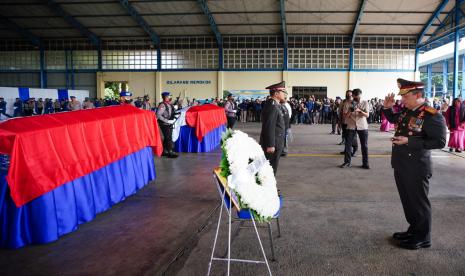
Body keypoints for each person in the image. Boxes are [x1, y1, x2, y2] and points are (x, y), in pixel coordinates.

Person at [382, 78, 446, 250]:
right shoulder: (408, 111)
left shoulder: (432, 115)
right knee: (408, 201)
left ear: (418, 95)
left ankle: (423, 237)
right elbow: (395, 119)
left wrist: (409, 141)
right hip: (401, 164)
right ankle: (414, 229)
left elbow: (439, 142)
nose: (402, 100)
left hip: (416, 166)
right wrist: (387, 107)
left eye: (406, 97)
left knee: (418, 202)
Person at [260, 81, 286, 175]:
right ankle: (269, 188)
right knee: (270, 168)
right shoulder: (272, 106)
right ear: (276, 93)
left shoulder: (274, 105)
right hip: (273, 143)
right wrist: (270, 144)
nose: (284, 94)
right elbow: (269, 126)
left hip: (276, 141)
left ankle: (271, 187)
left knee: (272, 167)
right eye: (283, 92)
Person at [340, 88, 369, 169]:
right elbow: (345, 116)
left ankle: (365, 163)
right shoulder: (347, 103)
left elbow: (367, 115)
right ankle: (347, 162)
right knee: (348, 145)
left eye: (357, 97)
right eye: (354, 96)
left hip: (363, 126)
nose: (356, 98)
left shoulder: (365, 103)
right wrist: (350, 111)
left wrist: (360, 110)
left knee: (364, 145)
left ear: (360, 95)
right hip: (351, 126)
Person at [156, 92, 178, 158]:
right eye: (168, 96)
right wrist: (167, 121)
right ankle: (170, 152)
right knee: (168, 137)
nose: (169, 97)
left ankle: (164, 151)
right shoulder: (162, 105)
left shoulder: (169, 104)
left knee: (167, 137)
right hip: (164, 123)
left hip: (169, 123)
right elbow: (158, 115)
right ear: (165, 97)